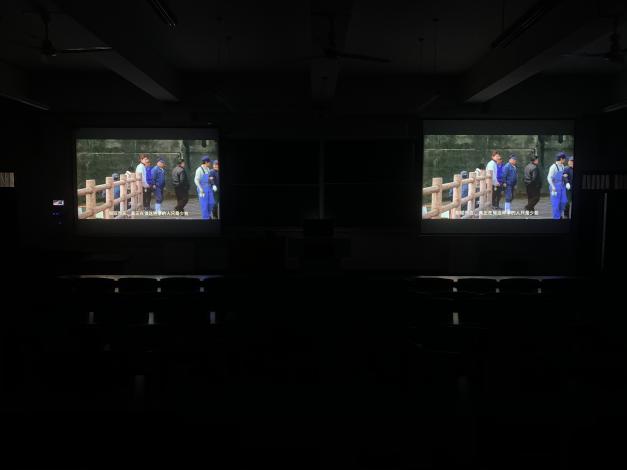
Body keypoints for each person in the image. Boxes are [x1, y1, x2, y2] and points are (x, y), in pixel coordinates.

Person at [548, 151, 568, 220]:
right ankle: (557, 218)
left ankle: (559, 214)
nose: (565, 160)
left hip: (562, 186)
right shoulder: (553, 167)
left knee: (564, 201)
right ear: (561, 159)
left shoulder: (562, 166)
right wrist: (553, 187)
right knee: (555, 204)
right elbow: (549, 178)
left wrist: (563, 176)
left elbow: (561, 175)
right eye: (564, 159)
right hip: (555, 186)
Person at [195, 155, 215, 219]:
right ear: (206, 162)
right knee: (204, 205)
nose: (210, 163)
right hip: (202, 190)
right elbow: (196, 180)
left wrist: (213, 184)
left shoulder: (208, 169)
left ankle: (208, 215)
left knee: (212, 203)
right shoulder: (199, 170)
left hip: (209, 188)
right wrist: (200, 189)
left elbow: (209, 178)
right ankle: (206, 218)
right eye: (209, 162)